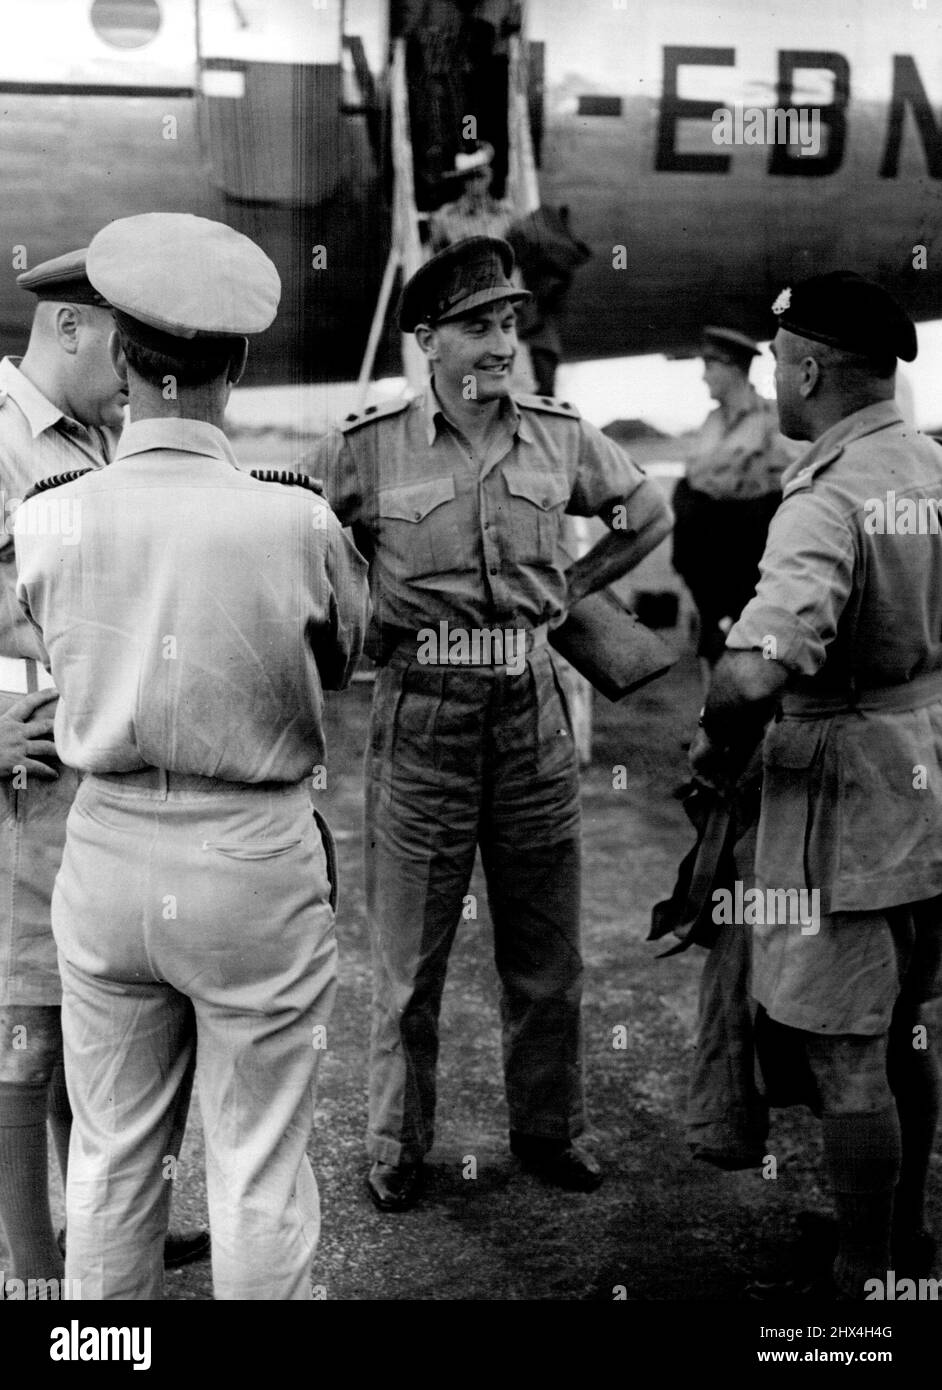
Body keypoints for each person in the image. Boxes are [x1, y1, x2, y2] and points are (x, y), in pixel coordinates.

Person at [14, 212, 369, 1300]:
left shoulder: (49, 518)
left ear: (123, 358)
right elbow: (346, 656)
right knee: (257, 1161)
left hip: (106, 846)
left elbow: (41, 637)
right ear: (239, 365)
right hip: (251, 856)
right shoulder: (295, 522)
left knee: (114, 1154)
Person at [308, 235, 673, 1212]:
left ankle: (552, 1133)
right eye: (479, 324)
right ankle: (395, 1148)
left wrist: (569, 595)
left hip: (529, 713)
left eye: (511, 321)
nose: (504, 341)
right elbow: (298, 538)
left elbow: (647, 512)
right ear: (428, 340)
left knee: (547, 955)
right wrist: (357, 617)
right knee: (407, 964)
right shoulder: (367, 446)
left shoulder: (560, 434)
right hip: (422, 715)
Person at [689, 271, 942, 1299]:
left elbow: (759, 670)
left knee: (846, 1051)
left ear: (809, 366)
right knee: (911, 1027)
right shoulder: (930, 461)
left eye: (781, 356)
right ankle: (906, 1235)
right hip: (927, 773)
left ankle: (863, 1268)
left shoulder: (829, 495)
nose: (778, 374)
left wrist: (713, 733)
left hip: (846, 802)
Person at [0, 249, 206, 1294]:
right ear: (72, 328)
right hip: (22, 772)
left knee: (95, 1015)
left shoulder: (100, 433)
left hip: (90, 762)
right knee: (26, 1026)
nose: (137, 378)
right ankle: (34, 1269)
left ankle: (106, 1229)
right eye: (124, 351)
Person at [672, 326, 797, 677]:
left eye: (710, 366)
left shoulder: (771, 420)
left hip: (747, 556)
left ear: (733, 368)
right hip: (707, 561)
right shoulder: (710, 422)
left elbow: (789, 486)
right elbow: (693, 481)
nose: (703, 376)